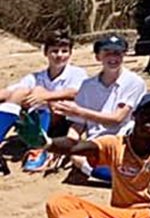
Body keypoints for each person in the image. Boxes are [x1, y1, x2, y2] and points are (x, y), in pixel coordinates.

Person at [49, 35, 147, 184]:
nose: (113, 57)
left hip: (124, 141)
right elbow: (78, 124)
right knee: (76, 156)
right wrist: (69, 145)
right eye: (107, 52)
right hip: (95, 144)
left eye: (117, 53)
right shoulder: (87, 86)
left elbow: (117, 119)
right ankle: (114, 177)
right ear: (98, 56)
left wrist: (79, 111)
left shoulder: (134, 82)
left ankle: (115, 177)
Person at [0, 30, 88, 172]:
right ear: (46, 53)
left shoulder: (77, 73)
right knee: (20, 92)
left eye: (64, 51)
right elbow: (10, 92)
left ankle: (38, 149)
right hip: (36, 118)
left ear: (70, 53)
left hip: (63, 122)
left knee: (38, 91)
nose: (59, 55)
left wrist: (45, 97)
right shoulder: (37, 76)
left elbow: (75, 92)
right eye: (54, 51)